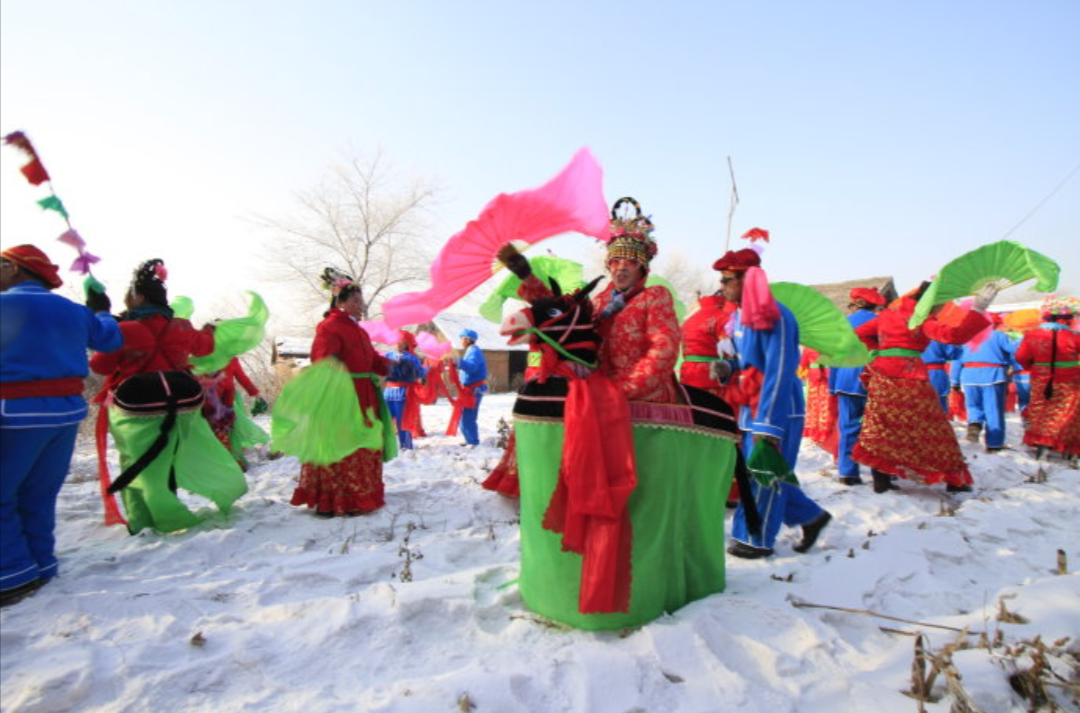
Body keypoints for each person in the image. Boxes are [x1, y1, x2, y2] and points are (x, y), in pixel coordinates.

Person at [1, 246, 122, 606]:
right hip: (65, 415)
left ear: (14, 269)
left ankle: (10, 574)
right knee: (38, 494)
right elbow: (110, 339)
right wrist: (102, 311)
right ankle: (41, 562)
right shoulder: (74, 311)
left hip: (14, 413)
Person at [90, 259, 248, 534]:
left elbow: (100, 366)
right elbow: (205, 347)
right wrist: (210, 331)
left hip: (137, 405)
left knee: (137, 461)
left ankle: (152, 518)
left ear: (138, 297)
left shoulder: (124, 330)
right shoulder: (182, 327)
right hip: (183, 401)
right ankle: (162, 507)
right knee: (165, 458)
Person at [713, 248, 831, 559]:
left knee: (763, 471)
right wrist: (730, 367)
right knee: (763, 469)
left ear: (746, 280)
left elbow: (779, 368)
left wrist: (769, 423)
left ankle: (756, 537)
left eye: (727, 279)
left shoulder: (775, 316)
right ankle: (811, 516)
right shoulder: (738, 317)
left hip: (776, 406)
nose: (721, 286)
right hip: (751, 403)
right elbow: (745, 360)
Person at [851, 282, 996, 493]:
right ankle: (954, 480)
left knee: (882, 426)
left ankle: (881, 480)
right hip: (912, 377)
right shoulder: (921, 320)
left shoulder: (886, 316)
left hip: (883, 376)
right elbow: (954, 337)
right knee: (932, 426)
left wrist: (878, 351)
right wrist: (978, 309)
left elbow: (859, 334)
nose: (940, 309)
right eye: (939, 304)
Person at [289, 275, 392, 515]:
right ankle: (337, 500)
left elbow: (373, 361)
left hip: (365, 397)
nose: (361, 305)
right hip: (343, 397)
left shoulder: (359, 331)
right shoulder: (330, 327)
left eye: (361, 301)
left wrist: (399, 367)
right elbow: (322, 361)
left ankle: (361, 495)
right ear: (340, 302)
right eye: (355, 300)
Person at [827, 287, 886, 485]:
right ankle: (881, 473)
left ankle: (848, 472)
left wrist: (832, 385)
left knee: (849, 427)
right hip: (873, 378)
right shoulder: (880, 322)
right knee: (878, 428)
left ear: (856, 303)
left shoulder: (842, 324)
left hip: (845, 380)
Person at [1014, 297, 1080, 462]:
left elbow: (1021, 357)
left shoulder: (1031, 335)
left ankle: (1043, 446)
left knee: (1041, 411)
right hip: (1070, 379)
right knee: (1068, 412)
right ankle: (1071, 449)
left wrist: (1037, 365)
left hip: (1041, 378)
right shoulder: (1073, 336)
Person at [951, 312, 1017, 452]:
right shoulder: (999, 336)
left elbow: (957, 360)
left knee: (973, 405)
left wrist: (954, 380)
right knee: (993, 410)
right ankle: (994, 443)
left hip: (968, 376)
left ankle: (974, 425)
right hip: (993, 376)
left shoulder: (966, 338)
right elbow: (1015, 352)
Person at [198, 356, 268, 469]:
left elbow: (242, 378)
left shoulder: (230, 358)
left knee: (225, 431)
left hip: (225, 402)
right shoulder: (200, 357)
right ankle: (225, 461)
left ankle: (230, 461)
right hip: (206, 402)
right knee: (214, 431)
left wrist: (256, 394)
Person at [383, 330, 425, 450]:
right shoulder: (388, 356)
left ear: (406, 344)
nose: (399, 344)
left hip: (403, 392)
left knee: (403, 420)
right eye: (397, 342)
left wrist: (421, 379)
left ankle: (406, 446)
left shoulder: (412, 358)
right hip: (388, 392)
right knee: (385, 419)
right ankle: (384, 445)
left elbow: (421, 373)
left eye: (402, 342)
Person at [455, 329, 488, 446]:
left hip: (474, 389)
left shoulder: (474, 352)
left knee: (468, 416)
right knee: (465, 416)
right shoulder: (471, 351)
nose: (461, 341)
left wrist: (458, 362)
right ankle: (470, 440)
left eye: (462, 338)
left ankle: (473, 442)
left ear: (468, 340)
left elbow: (472, 367)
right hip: (469, 389)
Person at [922, 340, 962, 412]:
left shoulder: (912, 335)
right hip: (936, 373)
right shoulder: (938, 336)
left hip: (915, 372)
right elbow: (954, 354)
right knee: (940, 405)